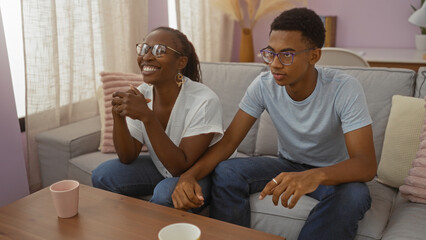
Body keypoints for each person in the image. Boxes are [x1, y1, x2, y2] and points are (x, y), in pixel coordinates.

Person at [171, 8, 377, 239]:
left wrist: (314, 176)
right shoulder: (263, 85)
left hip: (333, 173)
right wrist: (188, 176)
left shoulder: (344, 88)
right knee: (227, 171)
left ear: (314, 56)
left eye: (286, 55)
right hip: (288, 164)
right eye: (271, 53)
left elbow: (366, 165)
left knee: (354, 196)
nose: (275, 65)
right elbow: (229, 142)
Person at [92, 26, 223, 212]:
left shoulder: (204, 100)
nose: (147, 57)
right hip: (162, 167)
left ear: (181, 62)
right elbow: (127, 156)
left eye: (159, 50)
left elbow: (180, 167)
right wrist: (118, 116)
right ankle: (126, 226)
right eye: (144, 49)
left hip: (201, 173)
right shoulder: (143, 93)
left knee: (165, 194)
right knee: (103, 174)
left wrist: (147, 116)